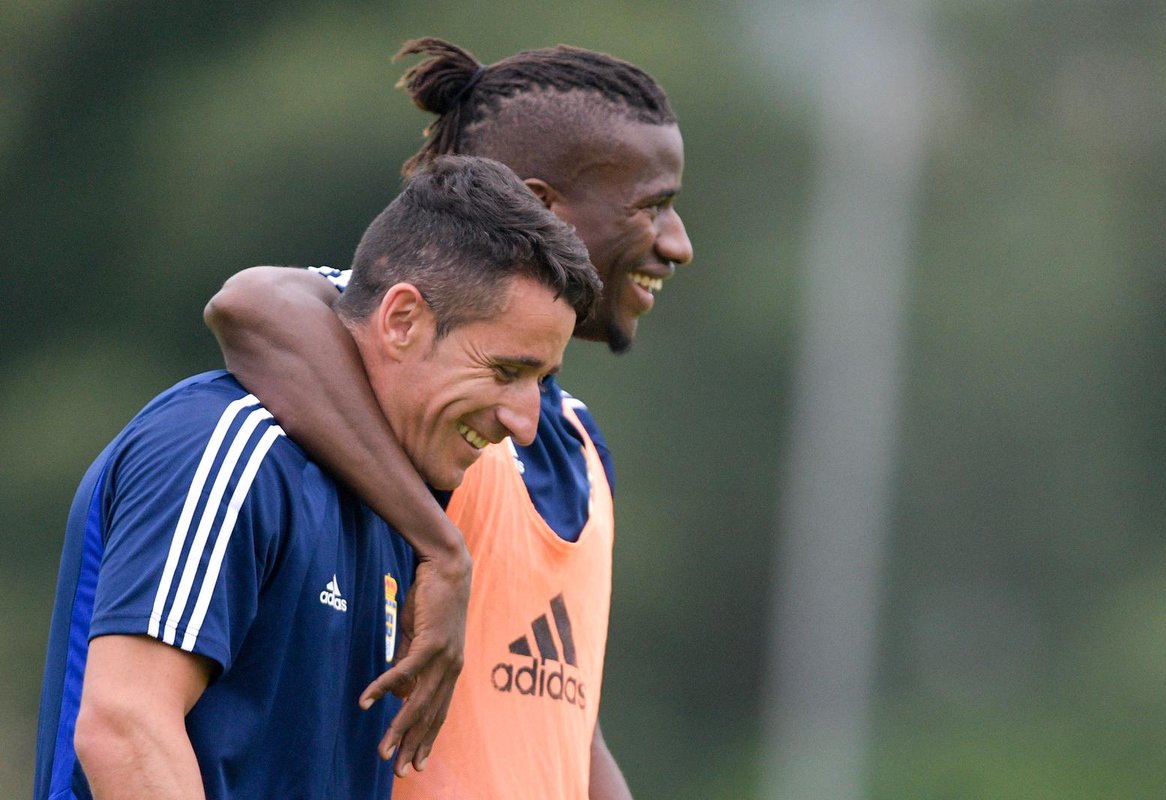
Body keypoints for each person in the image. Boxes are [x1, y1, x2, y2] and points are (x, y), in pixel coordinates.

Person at [205, 38, 694, 799]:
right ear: (539, 205)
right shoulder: (398, 379)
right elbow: (253, 307)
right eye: (653, 207)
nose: (678, 244)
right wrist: (443, 550)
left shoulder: (574, 441)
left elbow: (568, 732)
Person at [34, 155, 599, 800]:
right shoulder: (226, 448)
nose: (525, 423)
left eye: (540, 382)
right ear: (402, 320)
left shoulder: (395, 501)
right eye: (504, 370)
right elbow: (125, 726)